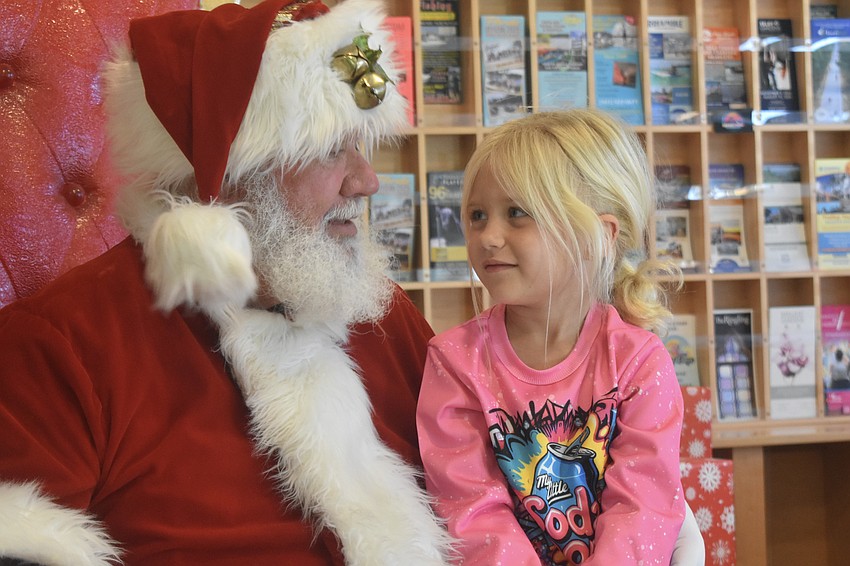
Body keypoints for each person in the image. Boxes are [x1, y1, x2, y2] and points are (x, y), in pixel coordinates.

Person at [0, 1, 454, 564]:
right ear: (233, 170)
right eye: (332, 150)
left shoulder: (384, 317)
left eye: (361, 148)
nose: (367, 181)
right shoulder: (60, 348)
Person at [417, 109, 689, 565]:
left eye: (517, 213)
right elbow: (472, 514)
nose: (488, 236)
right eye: (477, 215)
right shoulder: (455, 361)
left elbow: (642, 508)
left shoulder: (640, 362)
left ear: (597, 237)